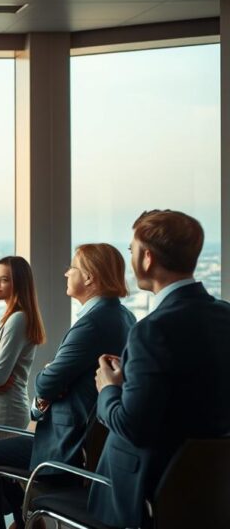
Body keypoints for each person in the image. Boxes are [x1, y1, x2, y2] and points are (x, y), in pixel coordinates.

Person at [0, 244, 134, 529]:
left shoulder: (92, 324)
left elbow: (47, 381)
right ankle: (21, 520)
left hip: (64, 446)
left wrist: (45, 385)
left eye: (72, 267)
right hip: (84, 439)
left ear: (90, 278)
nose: (65, 272)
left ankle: (18, 520)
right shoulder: (123, 316)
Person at [85, 210, 230, 527]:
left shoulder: (152, 330)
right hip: (209, 492)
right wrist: (135, 377)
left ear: (147, 258)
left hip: (140, 496)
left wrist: (108, 388)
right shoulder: (224, 315)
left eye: (132, 250)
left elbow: (133, 426)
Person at [0, 256, 46, 441]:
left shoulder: (18, 319)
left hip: (5, 412)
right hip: (0, 409)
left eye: (4, 280)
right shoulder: (12, 317)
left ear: (19, 284)